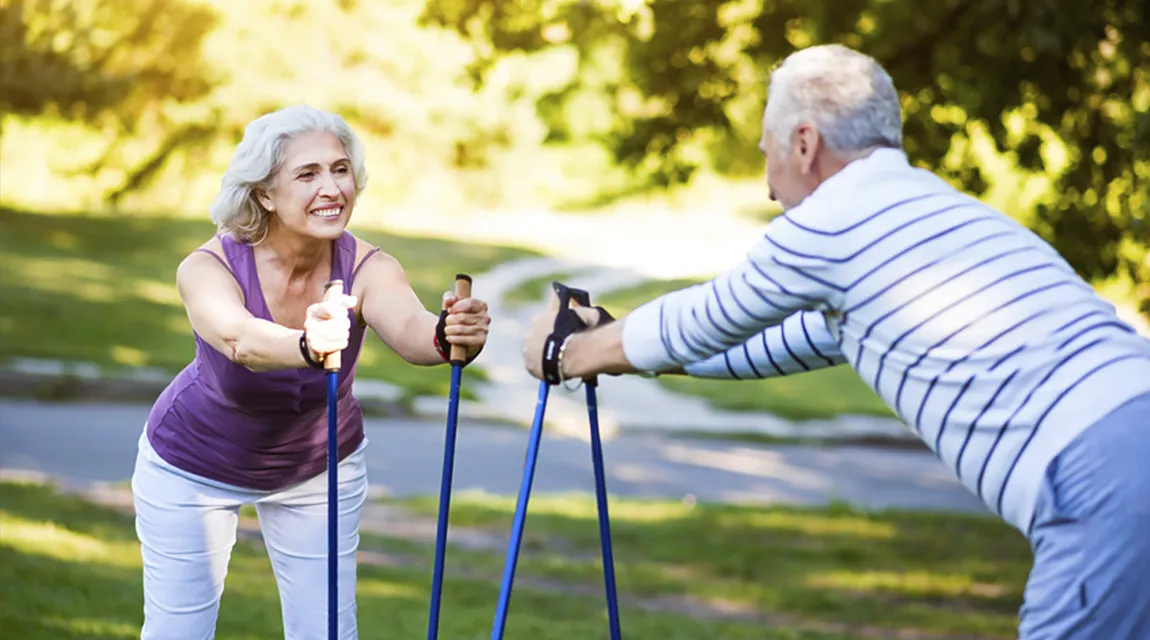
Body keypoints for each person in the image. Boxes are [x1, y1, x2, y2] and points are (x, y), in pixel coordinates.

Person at [522, 44, 1150, 638]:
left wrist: (567, 354)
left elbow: (708, 315)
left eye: (765, 151)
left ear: (803, 143)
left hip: (1100, 476)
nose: (767, 184)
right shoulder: (924, 212)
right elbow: (765, 342)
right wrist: (613, 339)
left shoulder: (837, 218)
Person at [131, 104, 491, 639]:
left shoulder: (369, 267)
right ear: (265, 193)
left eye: (340, 169)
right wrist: (305, 343)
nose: (332, 187)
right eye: (308, 173)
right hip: (192, 465)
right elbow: (238, 337)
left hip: (320, 467)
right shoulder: (207, 267)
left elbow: (414, 332)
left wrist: (449, 334)